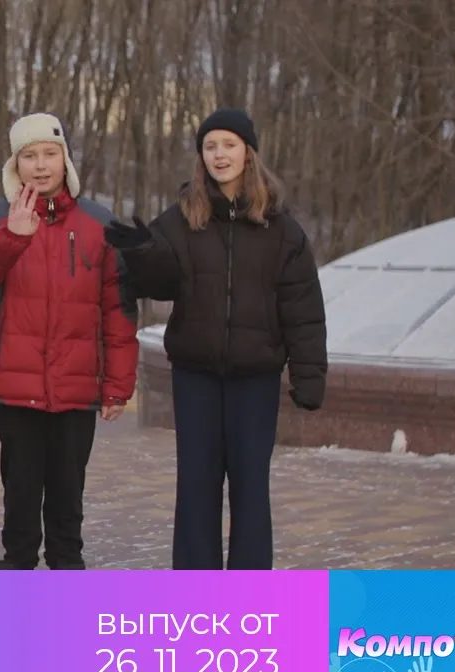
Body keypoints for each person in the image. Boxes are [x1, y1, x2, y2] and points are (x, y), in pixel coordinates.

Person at [103, 108, 327, 570]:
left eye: (228, 145)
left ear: (248, 153)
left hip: (255, 379)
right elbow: (160, 284)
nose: (219, 155)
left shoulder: (282, 229)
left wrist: (309, 374)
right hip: (196, 377)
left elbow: (302, 308)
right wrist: (141, 252)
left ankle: (249, 591)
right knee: (196, 487)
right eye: (210, 146)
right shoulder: (181, 218)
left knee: (251, 488)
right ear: (201, 155)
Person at [0, 113, 139, 570]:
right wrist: (11, 238)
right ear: (15, 164)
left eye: (49, 154)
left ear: (65, 160)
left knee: (67, 497)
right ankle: (17, 581)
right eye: (29, 156)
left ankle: (66, 581)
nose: (40, 165)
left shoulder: (99, 222)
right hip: (15, 386)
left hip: (77, 386)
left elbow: (118, 309)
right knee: (20, 495)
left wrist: (118, 384)